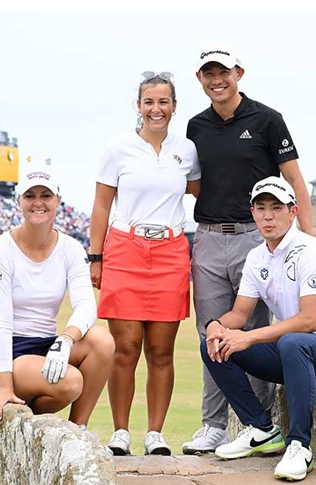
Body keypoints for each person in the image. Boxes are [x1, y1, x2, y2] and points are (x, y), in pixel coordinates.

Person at [183, 47, 316, 455]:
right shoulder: (196, 126)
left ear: (238, 73)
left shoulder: (267, 119)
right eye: (208, 73)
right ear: (200, 78)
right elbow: (194, 183)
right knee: (212, 329)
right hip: (206, 235)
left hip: (255, 236)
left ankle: (257, 425)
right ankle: (214, 425)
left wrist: (307, 241)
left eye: (223, 72)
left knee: (252, 331)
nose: (216, 80)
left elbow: (294, 180)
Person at [200, 177, 316, 481]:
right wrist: (216, 326)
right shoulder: (256, 257)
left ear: (293, 212)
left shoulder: (310, 250)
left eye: (276, 208)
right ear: (252, 213)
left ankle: (300, 445)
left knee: (293, 341)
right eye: (261, 208)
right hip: (297, 353)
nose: (268, 216)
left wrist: (247, 337)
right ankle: (262, 429)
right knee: (213, 345)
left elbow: (309, 321)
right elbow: (240, 313)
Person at [89, 71, 200, 456]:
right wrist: (96, 256)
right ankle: (120, 432)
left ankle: (155, 434)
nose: (157, 109)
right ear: (138, 106)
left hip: (170, 251)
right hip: (124, 249)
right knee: (126, 346)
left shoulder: (186, 150)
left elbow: (199, 190)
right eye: (149, 102)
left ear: (174, 106)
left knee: (161, 350)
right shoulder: (118, 149)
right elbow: (102, 205)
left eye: (164, 102)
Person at [0, 170, 115, 428]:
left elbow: (86, 306)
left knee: (102, 341)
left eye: (46, 195)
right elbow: (0, 323)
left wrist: (65, 340)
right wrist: (4, 388)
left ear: (58, 200)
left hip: (44, 347)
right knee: (71, 382)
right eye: (30, 195)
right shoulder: (0, 250)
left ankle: (78, 433)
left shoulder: (70, 248)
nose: (38, 202)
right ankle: (29, 412)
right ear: (19, 201)